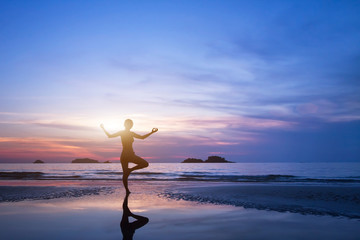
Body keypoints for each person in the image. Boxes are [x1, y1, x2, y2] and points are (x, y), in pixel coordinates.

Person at [100, 119, 158, 193]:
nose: (130, 125)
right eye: (129, 124)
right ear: (125, 125)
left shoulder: (124, 133)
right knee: (145, 164)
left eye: (131, 124)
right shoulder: (130, 133)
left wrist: (103, 128)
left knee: (125, 174)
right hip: (129, 155)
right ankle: (129, 172)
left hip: (124, 155)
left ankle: (127, 190)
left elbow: (109, 136)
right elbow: (142, 137)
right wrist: (152, 132)